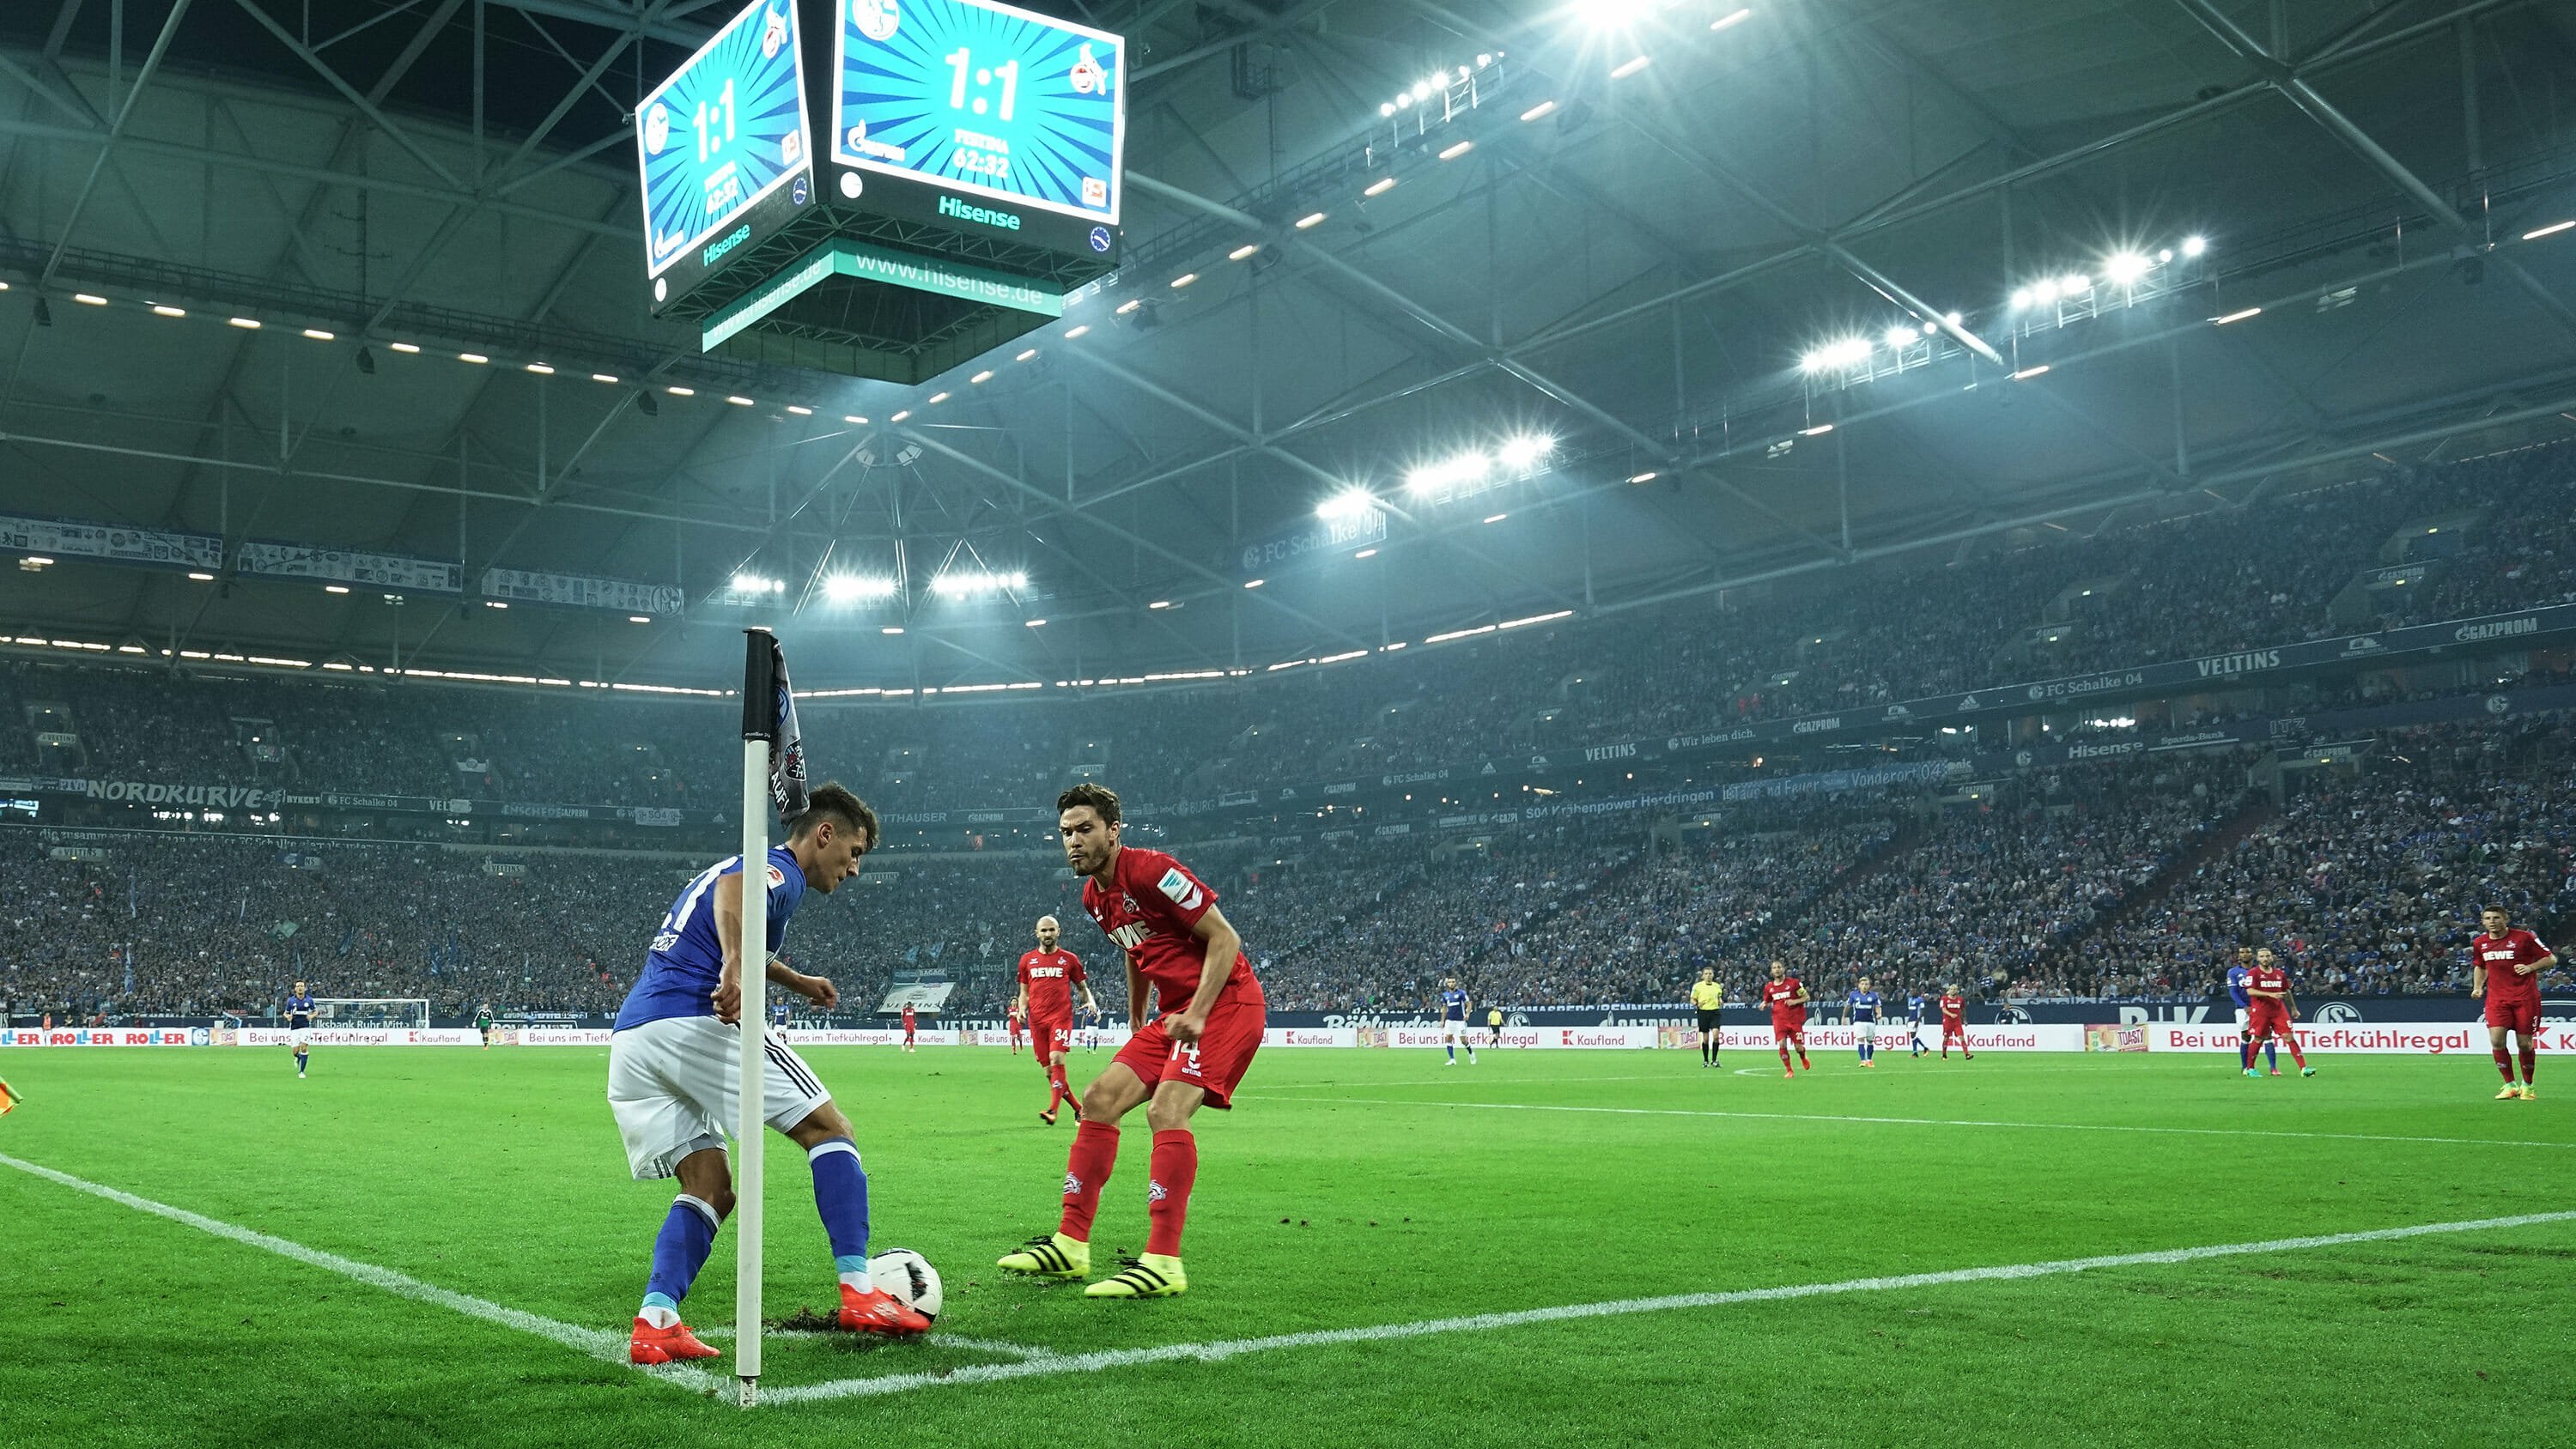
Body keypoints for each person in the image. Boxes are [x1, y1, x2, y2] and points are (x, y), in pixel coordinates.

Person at [604, 782, 929, 1365]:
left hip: (635, 1038)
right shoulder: (779, 869)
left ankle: (657, 1320)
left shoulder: (753, 868)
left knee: (709, 1187)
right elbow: (738, 892)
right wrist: (732, 969)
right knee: (831, 1132)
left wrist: (796, 981)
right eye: (854, 853)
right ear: (823, 834)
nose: (854, 869)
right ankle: (860, 1291)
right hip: (696, 1018)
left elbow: (737, 913)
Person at [996, 783, 1265, 1300]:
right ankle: (1070, 1246)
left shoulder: (1151, 871)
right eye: (1065, 833)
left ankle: (1163, 1260)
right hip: (1172, 1015)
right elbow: (1134, 948)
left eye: (1084, 830)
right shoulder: (1093, 896)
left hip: (1226, 1003)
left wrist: (1200, 1014)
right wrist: (1138, 1016)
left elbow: (1226, 938)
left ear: (1114, 831)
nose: (1073, 841)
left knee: (1165, 1111)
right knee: (1098, 1100)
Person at [1017, 914, 1102, 1125]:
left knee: (1057, 1060)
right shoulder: (1027, 960)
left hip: (1060, 1018)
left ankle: (1052, 1111)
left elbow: (1082, 987)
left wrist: (1090, 1002)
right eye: (1043, 930)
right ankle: (1079, 1109)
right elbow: (1024, 992)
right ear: (1036, 933)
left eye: (1051, 930)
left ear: (1058, 932)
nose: (1048, 934)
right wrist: (1021, 1009)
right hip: (1037, 1021)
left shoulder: (1069, 959)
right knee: (1050, 1074)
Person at [2471, 905, 2556, 1100]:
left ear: (2506, 918)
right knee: (2497, 1041)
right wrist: (2477, 987)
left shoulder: (2524, 938)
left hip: (2525, 997)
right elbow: (2480, 967)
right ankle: (2510, 1084)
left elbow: (2550, 959)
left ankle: (2528, 1085)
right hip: (2497, 999)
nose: (2492, 921)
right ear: (2483, 921)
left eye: (2496, 917)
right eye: (2488, 918)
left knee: (2525, 1044)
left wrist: (2530, 967)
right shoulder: (2480, 943)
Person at [2242, 947, 2313, 1079]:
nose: (2265, 959)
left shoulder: (2279, 974)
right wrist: (2271, 994)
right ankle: (2250, 1069)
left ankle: (2304, 1068)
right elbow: (2250, 991)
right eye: (2262, 956)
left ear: (2272, 957)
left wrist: (2293, 1008)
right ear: (2257, 959)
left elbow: (2286, 991)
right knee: (2259, 1038)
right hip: (2261, 1011)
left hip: (2279, 1010)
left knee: (2289, 1037)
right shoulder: (2253, 973)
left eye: (2268, 956)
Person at [2227, 946, 2275, 1075]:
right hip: (2243, 1009)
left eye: (2247, 952)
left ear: (2253, 955)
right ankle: (2245, 1067)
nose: (2244, 954)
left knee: (2267, 1035)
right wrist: (2244, 1006)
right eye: (2242, 952)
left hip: (2261, 1007)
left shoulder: (2261, 970)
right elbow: (2233, 992)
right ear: (2238, 955)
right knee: (2246, 1036)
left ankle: (2273, 1068)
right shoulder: (2233, 972)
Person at [1760, 960, 1810, 1077]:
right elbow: (1767, 1000)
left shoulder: (1794, 983)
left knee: (1799, 1047)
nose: (1777, 969)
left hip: (1794, 1020)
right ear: (1771, 971)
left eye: (1779, 967)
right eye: (1774, 968)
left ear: (1783, 969)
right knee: (1782, 1044)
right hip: (1779, 1020)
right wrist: (1764, 1004)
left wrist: (1795, 1001)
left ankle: (1803, 1057)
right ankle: (1789, 1070)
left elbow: (1807, 997)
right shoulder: (1769, 987)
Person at [1688, 967, 1724, 1068]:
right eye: (1706, 974)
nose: (1708, 976)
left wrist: (1720, 1001)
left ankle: (1714, 1060)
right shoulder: (1697, 986)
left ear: (1713, 975)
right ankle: (1706, 1060)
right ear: (1703, 976)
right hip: (1703, 1013)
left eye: (1710, 974)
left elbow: (1719, 998)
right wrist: (1697, 1004)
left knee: (1716, 1036)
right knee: (1706, 1039)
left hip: (1715, 1012)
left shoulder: (1717, 986)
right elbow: (1692, 999)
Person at [1438, 977, 1476, 1066]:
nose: (1451, 983)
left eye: (1453, 982)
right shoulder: (1445, 995)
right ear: (1447, 984)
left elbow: (1469, 1004)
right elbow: (1444, 1009)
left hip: (1460, 1021)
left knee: (1463, 1041)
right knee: (1448, 1038)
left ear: (1456, 983)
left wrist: (1467, 1014)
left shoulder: (1461, 993)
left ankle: (1471, 1054)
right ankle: (1452, 1059)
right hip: (1450, 1020)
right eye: (1450, 982)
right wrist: (1442, 1020)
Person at [1847, 975, 1882, 1067]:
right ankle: (1863, 1061)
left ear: (1869, 986)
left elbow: (1877, 1006)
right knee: (1861, 1040)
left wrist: (1879, 1014)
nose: (1864, 986)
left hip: (1870, 1021)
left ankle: (1870, 1060)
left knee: (1870, 1041)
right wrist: (1844, 1016)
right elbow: (1848, 1006)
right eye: (1862, 984)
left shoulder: (1874, 995)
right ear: (1859, 985)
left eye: (1866, 984)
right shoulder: (1853, 995)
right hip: (1858, 1021)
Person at [285, 981, 315, 1079]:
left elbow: (315, 1011)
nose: (300, 988)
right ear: (295, 989)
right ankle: (298, 1058)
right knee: (295, 1051)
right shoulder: (291, 1001)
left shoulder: (309, 1000)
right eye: (298, 986)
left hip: (305, 1027)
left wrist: (311, 1016)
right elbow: (286, 1013)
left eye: (302, 986)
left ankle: (301, 1071)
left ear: (305, 988)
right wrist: (288, 1017)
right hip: (294, 1028)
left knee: (304, 1048)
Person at [1938, 985, 1971, 1060]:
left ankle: (1967, 1054)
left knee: (1961, 1038)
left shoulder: (1960, 999)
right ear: (1949, 990)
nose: (1953, 991)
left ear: (1957, 991)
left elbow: (1963, 1010)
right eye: (1952, 989)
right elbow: (1944, 1010)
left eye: (1955, 989)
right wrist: (1951, 1014)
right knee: (1946, 1038)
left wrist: (1964, 1019)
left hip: (1957, 1022)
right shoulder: (1944, 999)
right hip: (1948, 1022)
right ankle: (1944, 1055)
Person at [1905, 989, 1928, 1058]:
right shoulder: (1910, 999)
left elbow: (1922, 1010)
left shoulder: (1920, 1000)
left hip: (1916, 1020)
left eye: (1913, 991)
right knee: (1912, 1036)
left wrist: (1918, 1020)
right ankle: (1922, 1050)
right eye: (1911, 991)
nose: (1912, 992)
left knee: (1912, 1035)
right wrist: (1908, 1020)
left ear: (1917, 992)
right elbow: (1910, 1011)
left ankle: (1917, 1052)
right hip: (1911, 1020)